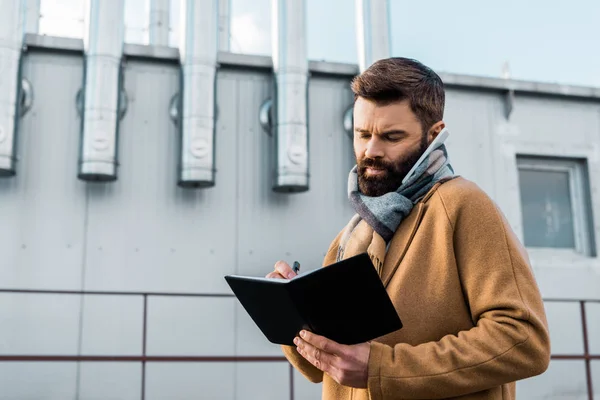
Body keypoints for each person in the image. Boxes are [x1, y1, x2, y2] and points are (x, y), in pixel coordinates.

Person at [266, 57, 550, 400]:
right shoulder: (351, 234)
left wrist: (383, 369)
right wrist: (289, 311)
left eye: (391, 136)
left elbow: (524, 340)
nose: (371, 150)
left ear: (433, 135)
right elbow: (320, 367)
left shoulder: (464, 206)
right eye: (362, 134)